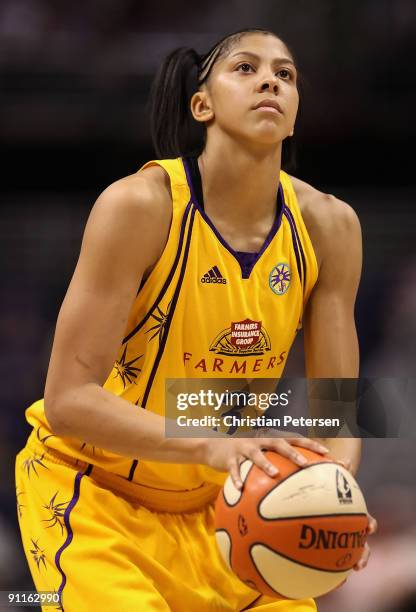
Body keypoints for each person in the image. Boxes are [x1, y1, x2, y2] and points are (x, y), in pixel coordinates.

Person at [15, 28, 376, 611]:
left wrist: (332, 501)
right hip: (95, 492)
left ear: (294, 115)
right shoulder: (139, 205)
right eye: (245, 68)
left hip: (227, 506)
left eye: (285, 75)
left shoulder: (331, 226)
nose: (270, 81)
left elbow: (340, 414)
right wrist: (211, 443)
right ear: (201, 105)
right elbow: (68, 399)